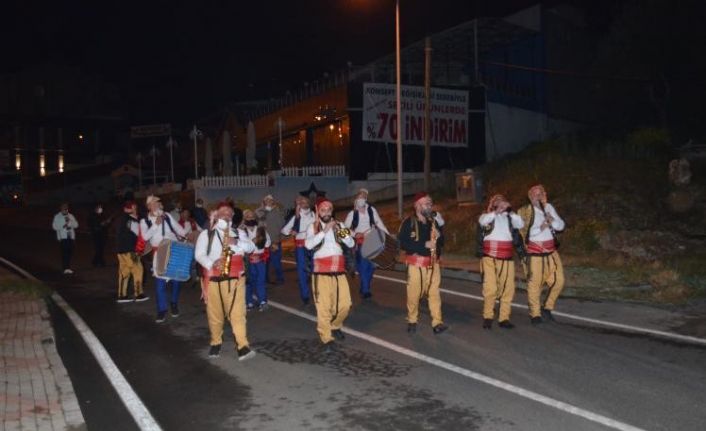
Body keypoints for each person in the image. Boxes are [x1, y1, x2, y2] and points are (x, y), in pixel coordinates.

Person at [194, 202, 256, 361]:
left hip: (236, 278)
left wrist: (236, 243)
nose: (227, 214)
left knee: (237, 313)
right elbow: (199, 255)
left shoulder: (239, 232)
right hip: (213, 278)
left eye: (229, 212)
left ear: (233, 216)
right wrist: (211, 263)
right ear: (216, 214)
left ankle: (242, 346)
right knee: (215, 314)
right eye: (223, 212)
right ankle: (215, 342)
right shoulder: (207, 234)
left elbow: (251, 248)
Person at [305, 197, 355, 348]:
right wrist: (324, 231)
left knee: (345, 305)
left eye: (329, 209)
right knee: (324, 308)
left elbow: (351, 243)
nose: (326, 212)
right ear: (318, 212)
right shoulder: (312, 227)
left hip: (339, 272)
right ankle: (326, 337)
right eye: (323, 210)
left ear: (332, 211)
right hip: (321, 274)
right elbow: (308, 245)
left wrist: (340, 231)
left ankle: (336, 325)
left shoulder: (339, 225)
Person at [398, 192, 448, 334]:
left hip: (433, 264)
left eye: (430, 203)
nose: (429, 206)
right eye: (426, 203)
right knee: (414, 294)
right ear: (417, 205)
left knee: (434, 294)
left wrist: (439, 236)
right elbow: (402, 243)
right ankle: (412, 319)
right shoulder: (408, 223)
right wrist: (423, 245)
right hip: (416, 265)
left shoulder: (434, 222)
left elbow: (441, 243)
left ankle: (437, 322)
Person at [518, 185, 566, 324]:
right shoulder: (524, 211)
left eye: (540, 193)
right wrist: (541, 227)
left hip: (551, 253)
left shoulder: (549, 207)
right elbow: (524, 234)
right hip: (535, 254)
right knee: (535, 285)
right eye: (534, 194)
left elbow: (561, 226)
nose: (537, 196)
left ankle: (547, 308)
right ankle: (535, 314)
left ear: (544, 194)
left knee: (559, 281)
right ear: (530, 196)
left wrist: (553, 221)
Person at [478, 194, 524, 330]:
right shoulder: (486, 216)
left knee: (508, 289)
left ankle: (504, 318)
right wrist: (496, 211)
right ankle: (488, 316)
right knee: (490, 288)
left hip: (507, 258)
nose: (501, 204)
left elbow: (520, 223)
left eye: (503, 202)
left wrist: (510, 210)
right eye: (497, 202)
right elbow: (482, 222)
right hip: (489, 258)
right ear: (492, 204)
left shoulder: (510, 218)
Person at [140, 195, 187, 323]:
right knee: (160, 282)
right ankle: (161, 310)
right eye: (154, 203)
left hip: (173, 250)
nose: (157, 205)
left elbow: (179, 229)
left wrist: (187, 235)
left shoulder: (167, 215)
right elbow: (145, 237)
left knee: (176, 280)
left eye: (158, 203)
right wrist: (155, 225)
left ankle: (174, 303)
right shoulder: (145, 221)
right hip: (159, 253)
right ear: (149, 206)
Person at [343, 188, 389, 300]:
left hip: (373, 241)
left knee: (372, 266)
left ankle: (364, 286)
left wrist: (388, 235)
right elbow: (343, 230)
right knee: (364, 266)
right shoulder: (352, 214)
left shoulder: (371, 210)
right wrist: (354, 234)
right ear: (356, 199)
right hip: (361, 242)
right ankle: (365, 290)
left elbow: (379, 223)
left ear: (366, 199)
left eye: (363, 197)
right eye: (359, 197)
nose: (361, 199)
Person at [281, 195, 316, 305]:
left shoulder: (314, 214)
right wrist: (292, 231)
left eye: (305, 201)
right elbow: (284, 230)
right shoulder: (296, 217)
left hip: (314, 246)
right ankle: (305, 295)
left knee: (316, 270)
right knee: (302, 272)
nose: (303, 203)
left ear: (308, 203)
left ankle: (317, 293)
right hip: (301, 247)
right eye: (300, 202)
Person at [115, 201, 148, 303]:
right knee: (138, 270)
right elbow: (139, 234)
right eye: (133, 207)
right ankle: (138, 294)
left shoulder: (121, 219)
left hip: (121, 251)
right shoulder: (131, 220)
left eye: (134, 207)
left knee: (124, 273)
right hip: (130, 251)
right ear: (129, 209)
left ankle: (122, 295)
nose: (135, 209)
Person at [241, 209, 271, 311]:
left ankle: (262, 301)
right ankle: (249, 302)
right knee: (248, 281)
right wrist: (252, 242)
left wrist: (261, 242)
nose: (250, 218)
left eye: (252, 216)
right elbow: (240, 246)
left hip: (260, 259)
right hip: (247, 261)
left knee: (261, 280)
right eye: (248, 217)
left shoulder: (261, 230)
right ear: (244, 219)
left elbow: (268, 244)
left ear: (255, 218)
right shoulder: (241, 231)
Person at [256, 194, 285, 285]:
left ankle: (280, 279)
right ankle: (265, 279)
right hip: (263, 242)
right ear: (264, 201)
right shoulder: (258, 211)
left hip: (274, 241)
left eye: (270, 200)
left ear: (273, 201)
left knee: (276, 262)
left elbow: (281, 226)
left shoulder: (278, 212)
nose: (269, 201)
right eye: (267, 200)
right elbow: (257, 221)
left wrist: (277, 239)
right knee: (264, 262)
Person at [52, 203, 79, 274]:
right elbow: (55, 226)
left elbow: (76, 225)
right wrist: (63, 225)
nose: (65, 210)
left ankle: (67, 267)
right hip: (63, 237)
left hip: (71, 237)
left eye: (66, 208)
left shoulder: (70, 216)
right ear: (61, 209)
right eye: (64, 209)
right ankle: (66, 268)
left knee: (70, 252)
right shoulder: (57, 216)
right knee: (64, 253)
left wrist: (71, 223)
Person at [88, 203, 110, 267]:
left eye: (101, 207)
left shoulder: (103, 215)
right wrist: (100, 224)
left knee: (101, 249)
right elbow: (91, 225)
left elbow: (106, 226)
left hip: (103, 235)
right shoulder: (92, 215)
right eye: (99, 207)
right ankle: (101, 262)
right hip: (96, 235)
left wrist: (107, 223)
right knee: (98, 249)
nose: (101, 209)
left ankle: (95, 261)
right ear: (96, 208)